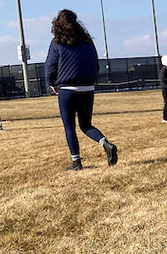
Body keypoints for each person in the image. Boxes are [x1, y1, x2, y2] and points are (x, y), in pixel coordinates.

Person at [45, 9, 118, 171]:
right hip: (87, 88)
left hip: (67, 89)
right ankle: (105, 143)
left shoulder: (57, 42)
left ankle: (76, 162)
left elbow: (50, 66)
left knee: (69, 127)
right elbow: (95, 63)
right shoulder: (87, 41)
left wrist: (52, 83)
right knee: (86, 125)